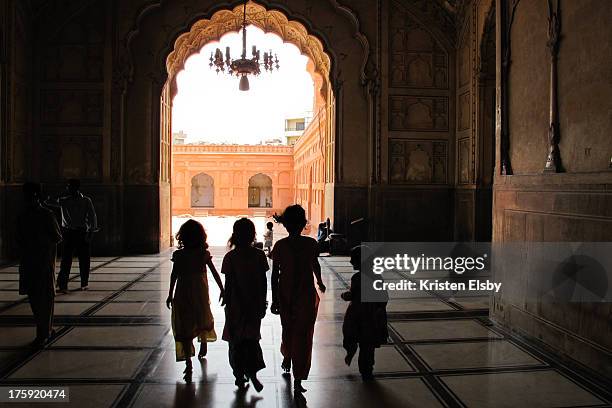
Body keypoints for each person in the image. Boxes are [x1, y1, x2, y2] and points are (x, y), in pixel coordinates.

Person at [270, 205, 326, 393]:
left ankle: (290, 359)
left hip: (287, 293)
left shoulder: (281, 246)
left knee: (290, 329)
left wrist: (275, 299)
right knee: (303, 334)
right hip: (303, 294)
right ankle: (297, 372)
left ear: (285, 225)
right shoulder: (310, 244)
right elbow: (315, 265)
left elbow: (274, 275)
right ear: (303, 224)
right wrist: (319, 281)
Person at [166, 219, 224, 381]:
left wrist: (170, 294)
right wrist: (222, 289)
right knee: (201, 316)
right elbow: (214, 273)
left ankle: (189, 363)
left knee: (184, 324)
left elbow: (174, 275)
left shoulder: (179, 255)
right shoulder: (202, 254)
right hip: (199, 292)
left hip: (182, 293)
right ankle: (203, 340)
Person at [221, 218, 269, 392]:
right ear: (253, 236)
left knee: (236, 342)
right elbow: (263, 282)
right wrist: (263, 302)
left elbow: (229, 282)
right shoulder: (259, 255)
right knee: (251, 340)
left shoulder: (230, 257)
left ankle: (239, 375)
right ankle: (253, 373)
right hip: (254, 305)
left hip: (236, 306)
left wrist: (226, 299)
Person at [17, 182, 62, 347]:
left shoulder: (39, 215)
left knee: (40, 297)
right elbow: (57, 237)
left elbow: (19, 239)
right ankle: (45, 330)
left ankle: (43, 332)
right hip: (37, 262)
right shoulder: (42, 214)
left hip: (38, 262)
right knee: (41, 298)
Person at [341, 245, 389, 381]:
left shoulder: (357, 278)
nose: (350, 262)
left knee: (354, 337)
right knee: (367, 345)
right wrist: (379, 310)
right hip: (371, 316)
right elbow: (384, 296)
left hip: (358, 316)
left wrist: (345, 295)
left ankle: (351, 353)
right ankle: (367, 370)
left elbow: (353, 295)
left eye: (353, 259)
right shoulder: (377, 276)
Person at [53, 179, 98, 292]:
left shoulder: (84, 200)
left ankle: (82, 282)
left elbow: (92, 217)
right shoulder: (64, 200)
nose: (68, 189)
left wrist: (91, 232)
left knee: (82, 259)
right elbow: (48, 201)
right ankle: (64, 284)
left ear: (75, 187)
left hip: (80, 232)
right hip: (70, 233)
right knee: (67, 260)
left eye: (69, 187)